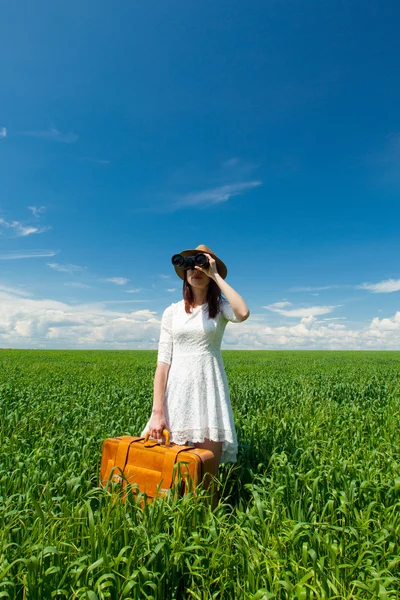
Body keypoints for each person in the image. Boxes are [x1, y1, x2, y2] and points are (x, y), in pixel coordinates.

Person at [140, 244, 250, 504]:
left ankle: (206, 522)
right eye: (189, 265)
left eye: (201, 263)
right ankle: (172, 521)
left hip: (209, 390)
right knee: (170, 470)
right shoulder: (172, 312)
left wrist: (216, 275)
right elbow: (163, 363)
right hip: (177, 393)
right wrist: (158, 412)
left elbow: (243, 313)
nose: (195, 269)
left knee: (207, 475)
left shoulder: (219, 308)